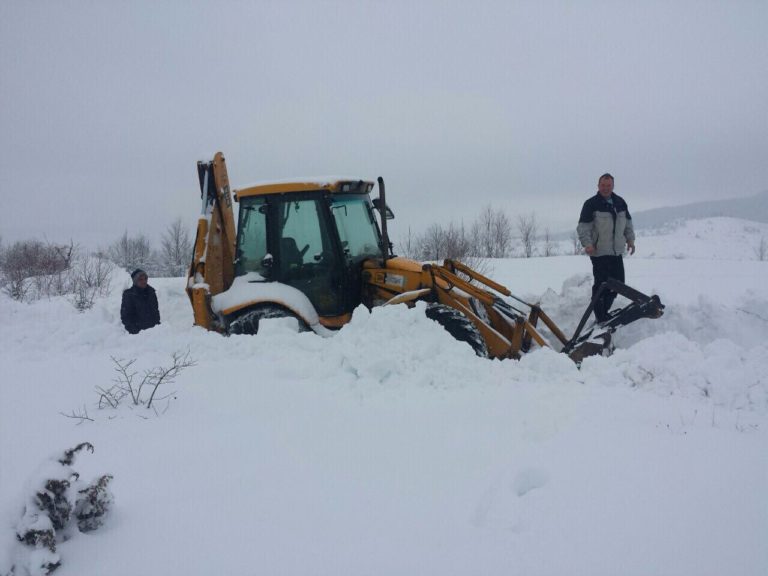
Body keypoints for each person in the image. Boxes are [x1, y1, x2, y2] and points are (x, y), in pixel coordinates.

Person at [577, 173, 636, 323]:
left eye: (608, 185)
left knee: (618, 284)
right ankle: (600, 316)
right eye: (603, 185)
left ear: (613, 186)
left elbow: (627, 224)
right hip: (599, 252)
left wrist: (630, 240)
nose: (605, 188)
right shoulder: (591, 204)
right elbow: (583, 227)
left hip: (616, 252)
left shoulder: (620, 202)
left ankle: (604, 312)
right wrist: (588, 244)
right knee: (602, 285)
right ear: (598, 186)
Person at [121, 269, 160, 334]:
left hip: (154, 333)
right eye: (140, 279)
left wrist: (158, 326)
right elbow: (126, 317)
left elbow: (155, 311)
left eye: (145, 279)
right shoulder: (129, 295)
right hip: (138, 335)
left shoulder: (151, 292)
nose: (144, 281)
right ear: (135, 281)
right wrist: (135, 332)